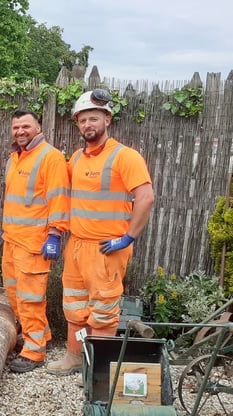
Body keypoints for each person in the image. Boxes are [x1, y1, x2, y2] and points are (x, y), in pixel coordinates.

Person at [46, 89, 155, 375]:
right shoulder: (77, 160)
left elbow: (146, 197)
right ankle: (74, 356)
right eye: (82, 121)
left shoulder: (125, 157)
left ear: (107, 119)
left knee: (103, 314)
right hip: (78, 246)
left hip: (108, 249)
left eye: (93, 119)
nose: (87, 126)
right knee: (75, 307)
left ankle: (98, 368)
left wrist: (128, 237)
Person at [2, 110, 70, 373]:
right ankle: (41, 335)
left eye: (26, 126)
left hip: (35, 242)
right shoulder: (14, 158)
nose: (20, 131)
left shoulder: (50, 157)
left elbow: (58, 198)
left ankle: (34, 350)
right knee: (15, 294)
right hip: (12, 238)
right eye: (16, 127)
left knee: (30, 298)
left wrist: (54, 234)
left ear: (38, 128)